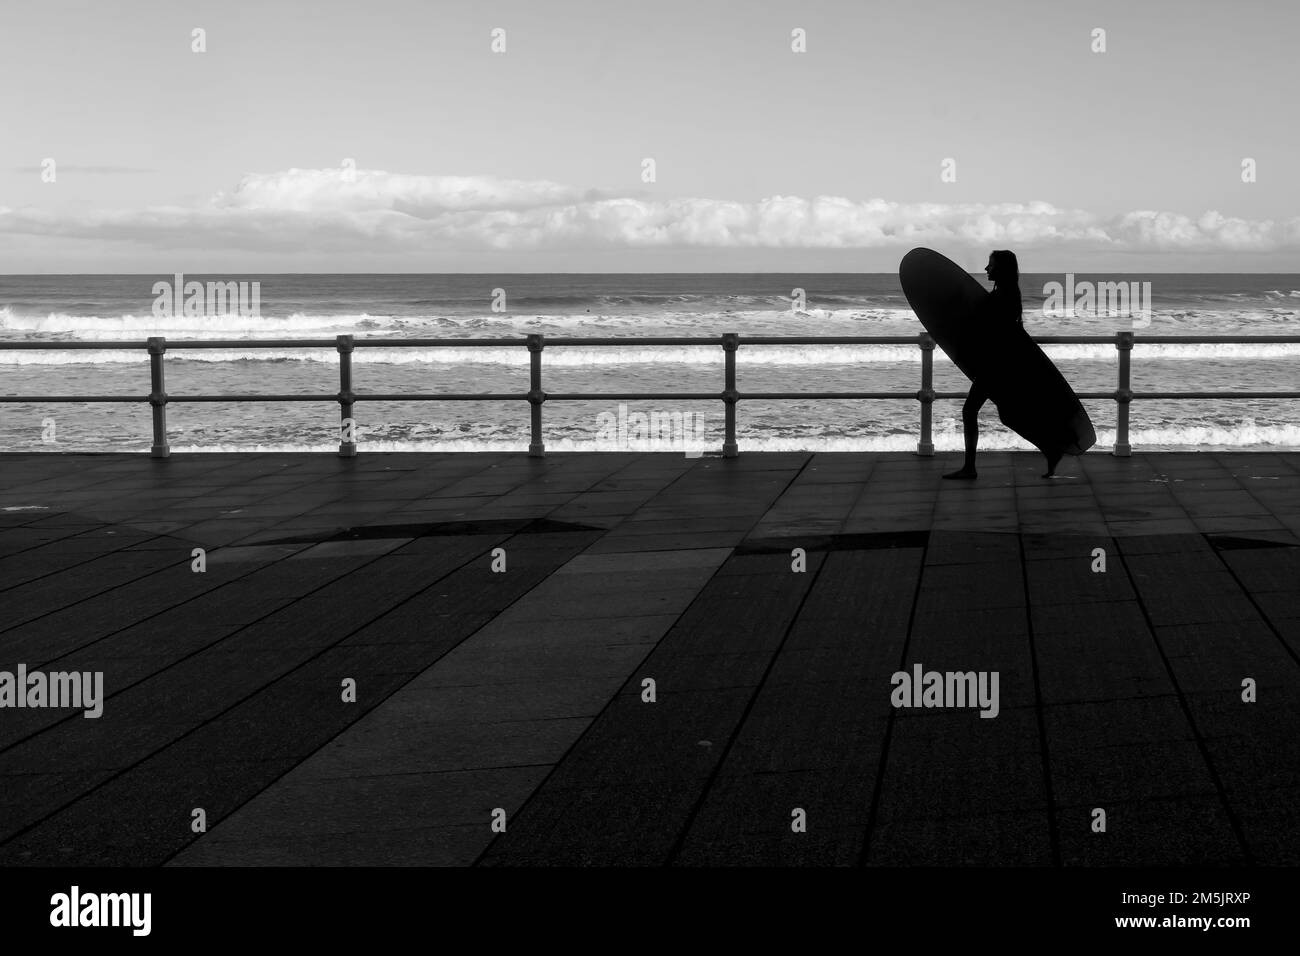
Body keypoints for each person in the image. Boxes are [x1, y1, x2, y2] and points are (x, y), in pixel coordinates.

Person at [942, 250, 1065, 480]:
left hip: (995, 366)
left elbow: (996, 329)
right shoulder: (1004, 292)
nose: (987, 269)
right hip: (999, 364)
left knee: (971, 410)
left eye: (991, 265)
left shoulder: (1004, 295)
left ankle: (970, 468)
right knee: (1009, 415)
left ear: (1001, 269)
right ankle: (1052, 449)